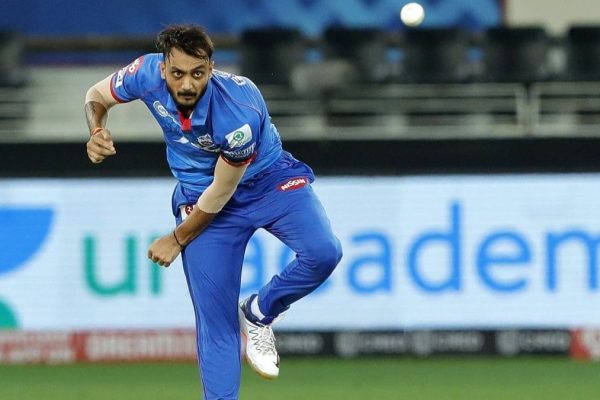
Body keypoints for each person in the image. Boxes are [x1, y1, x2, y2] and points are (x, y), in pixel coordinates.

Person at [83, 24, 342, 400]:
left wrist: (177, 238)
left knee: (324, 252)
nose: (187, 84)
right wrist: (96, 131)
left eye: (198, 73)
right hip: (198, 192)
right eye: (177, 73)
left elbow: (222, 191)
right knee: (216, 322)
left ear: (211, 68)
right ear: (162, 68)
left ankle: (259, 310)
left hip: (267, 181)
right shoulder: (144, 73)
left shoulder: (238, 111)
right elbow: (96, 95)